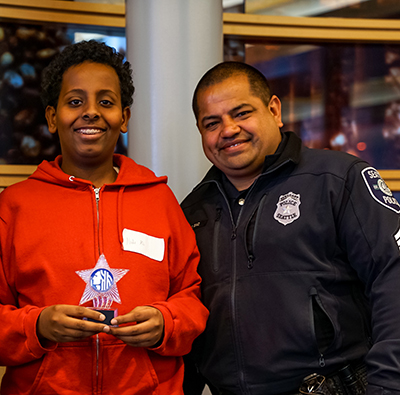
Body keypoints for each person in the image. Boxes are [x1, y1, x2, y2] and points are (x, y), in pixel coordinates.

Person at [0, 40, 208, 395]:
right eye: (75, 101)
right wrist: (37, 325)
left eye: (106, 102)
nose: (91, 112)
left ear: (124, 118)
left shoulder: (160, 201)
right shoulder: (14, 207)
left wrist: (165, 323)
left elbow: (192, 298)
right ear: (52, 117)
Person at [181, 61, 400, 395]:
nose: (227, 130)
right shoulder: (192, 212)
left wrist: (389, 386)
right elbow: (187, 319)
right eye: (212, 123)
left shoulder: (337, 179)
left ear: (273, 109)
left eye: (241, 113)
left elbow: (392, 277)